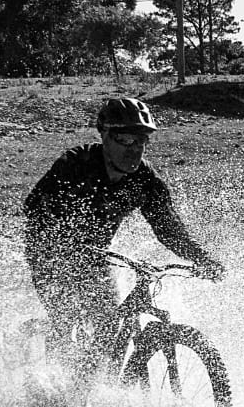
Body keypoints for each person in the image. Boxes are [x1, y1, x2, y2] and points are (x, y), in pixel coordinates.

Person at [23, 96, 224, 366]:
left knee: (109, 323)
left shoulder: (144, 179)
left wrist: (201, 258)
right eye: (126, 141)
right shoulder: (75, 164)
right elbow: (35, 207)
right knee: (66, 317)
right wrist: (62, 241)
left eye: (141, 142)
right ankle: (55, 391)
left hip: (94, 257)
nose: (134, 150)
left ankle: (100, 387)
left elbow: (168, 228)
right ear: (105, 136)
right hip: (50, 255)